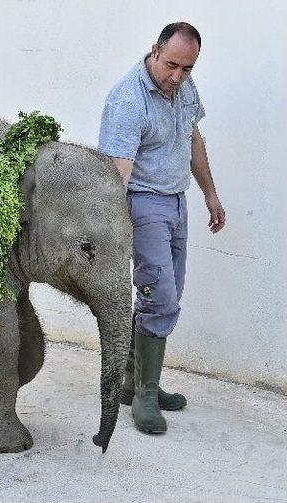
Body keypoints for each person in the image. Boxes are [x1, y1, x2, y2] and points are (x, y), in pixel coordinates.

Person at [98, 22, 226, 434]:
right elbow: (117, 173)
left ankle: (133, 384)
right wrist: (114, 230)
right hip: (143, 203)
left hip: (176, 201)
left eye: (187, 68)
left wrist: (209, 194)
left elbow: (193, 139)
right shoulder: (128, 99)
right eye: (171, 65)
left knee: (168, 295)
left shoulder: (184, 88)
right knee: (161, 298)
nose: (177, 77)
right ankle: (145, 398)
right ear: (153, 50)